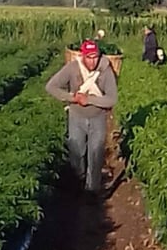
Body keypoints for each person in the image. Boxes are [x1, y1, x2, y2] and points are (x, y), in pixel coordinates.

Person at [46, 39, 118, 200]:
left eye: (95, 57)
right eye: (89, 57)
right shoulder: (72, 68)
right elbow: (51, 86)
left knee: (96, 152)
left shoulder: (106, 70)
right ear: (83, 56)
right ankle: (79, 179)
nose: (92, 61)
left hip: (98, 117)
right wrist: (72, 97)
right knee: (76, 150)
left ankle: (92, 189)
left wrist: (89, 100)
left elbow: (112, 99)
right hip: (76, 116)